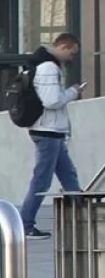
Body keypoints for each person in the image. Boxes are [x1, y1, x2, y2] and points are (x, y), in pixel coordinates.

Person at [20, 33, 86, 239]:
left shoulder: (46, 65)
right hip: (47, 131)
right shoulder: (49, 68)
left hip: (51, 130)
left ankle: (84, 217)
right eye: (72, 53)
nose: (72, 58)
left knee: (69, 176)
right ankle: (25, 224)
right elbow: (52, 101)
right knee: (42, 180)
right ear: (64, 47)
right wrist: (73, 92)